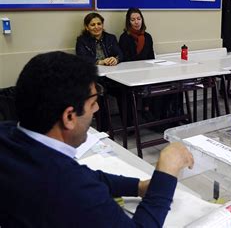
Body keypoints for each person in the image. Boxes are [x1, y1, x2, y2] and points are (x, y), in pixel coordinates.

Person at [0, 51, 194, 227]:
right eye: (92, 103)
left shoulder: (9, 135)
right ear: (69, 117)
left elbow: (86, 177)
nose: (97, 109)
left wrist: (138, 186)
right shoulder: (69, 188)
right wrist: (166, 173)